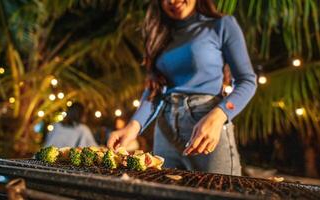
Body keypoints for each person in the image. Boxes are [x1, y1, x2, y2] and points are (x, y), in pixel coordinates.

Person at [108, 0, 257, 176]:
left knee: (219, 191)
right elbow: (154, 90)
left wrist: (219, 115)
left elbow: (247, 80)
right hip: (165, 128)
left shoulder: (221, 24)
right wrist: (133, 126)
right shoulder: (159, 34)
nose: (172, 1)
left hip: (206, 123)